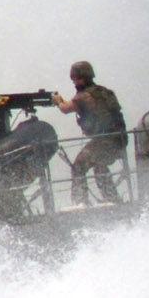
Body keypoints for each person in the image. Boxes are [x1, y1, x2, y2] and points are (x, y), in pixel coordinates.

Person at [54, 58, 128, 205]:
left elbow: (65, 109)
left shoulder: (83, 96)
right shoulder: (106, 92)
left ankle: (80, 202)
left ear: (80, 78)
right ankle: (113, 199)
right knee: (100, 166)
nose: (74, 83)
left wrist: (57, 100)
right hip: (119, 140)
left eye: (74, 80)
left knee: (78, 167)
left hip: (105, 141)